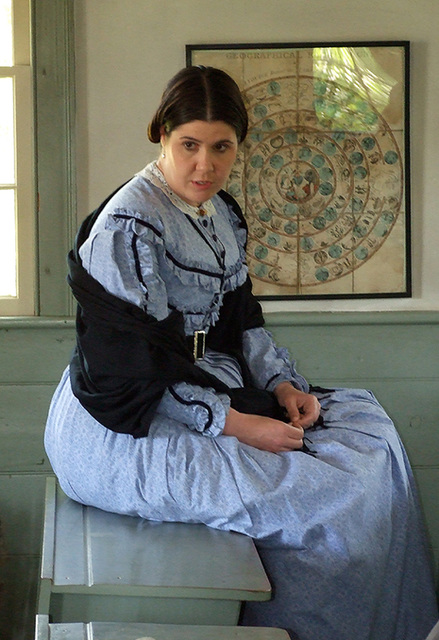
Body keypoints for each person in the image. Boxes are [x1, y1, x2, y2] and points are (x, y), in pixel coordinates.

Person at [44, 66, 438, 640]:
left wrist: (282, 386)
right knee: (325, 498)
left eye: (221, 146)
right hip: (127, 421)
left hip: (204, 383)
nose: (206, 165)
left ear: (238, 144)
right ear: (161, 135)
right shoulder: (128, 229)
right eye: (190, 145)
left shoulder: (221, 214)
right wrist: (235, 425)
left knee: (372, 440)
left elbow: (242, 321)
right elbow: (128, 367)